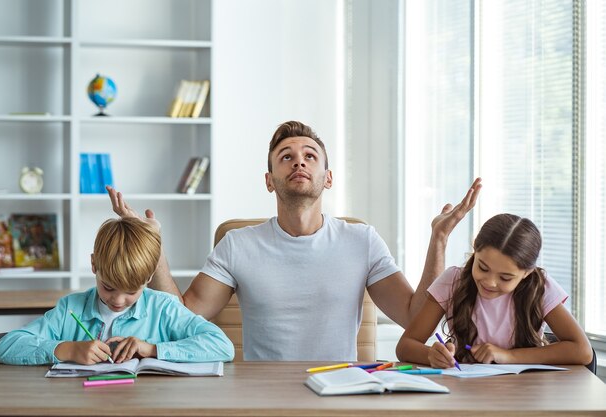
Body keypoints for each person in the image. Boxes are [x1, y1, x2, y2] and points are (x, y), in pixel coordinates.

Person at [107, 120, 482, 361]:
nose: (298, 162)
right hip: (262, 396)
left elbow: (415, 319)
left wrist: (439, 238)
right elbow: (183, 317)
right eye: (285, 157)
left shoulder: (362, 240)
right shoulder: (238, 245)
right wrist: (152, 249)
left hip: (341, 390)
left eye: (309, 156)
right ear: (269, 180)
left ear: (328, 177)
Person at [0, 217, 234, 365]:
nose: (118, 300)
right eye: (108, 286)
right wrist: (66, 349)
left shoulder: (164, 308)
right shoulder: (70, 309)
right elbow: (7, 346)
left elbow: (221, 346)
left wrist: (152, 349)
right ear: (94, 265)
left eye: (131, 290)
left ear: (149, 276)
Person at [395, 213, 593, 368]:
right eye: (482, 267)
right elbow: (406, 346)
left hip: (527, 392)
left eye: (505, 278)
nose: (490, 282)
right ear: (475, 249)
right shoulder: (452, 281)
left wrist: (507, 356)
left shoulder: (540, 287)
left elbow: (582, 351)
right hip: (466, 393)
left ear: (526, 273)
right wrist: (431, 355)